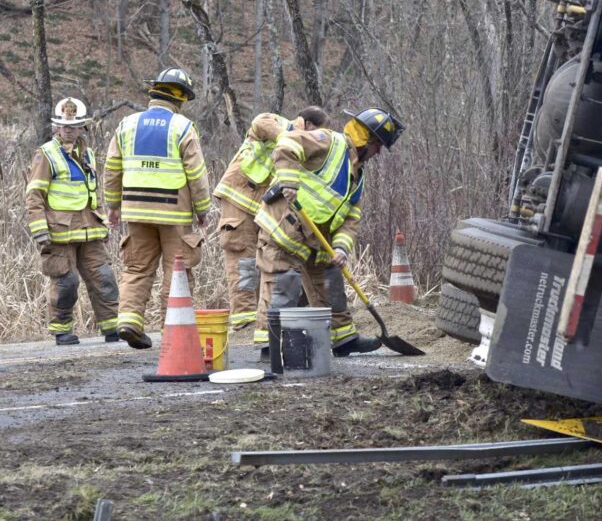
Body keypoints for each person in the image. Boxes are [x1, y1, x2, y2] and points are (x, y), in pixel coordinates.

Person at [252, 107, 404, 358]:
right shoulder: (327, 141)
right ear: (364, 137)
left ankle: (343, 339)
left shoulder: (358, 176)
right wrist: (289, 181)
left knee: (331, 283)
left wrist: (342, 248)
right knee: (283, 284)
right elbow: (287, 142)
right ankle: (271, 346)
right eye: (377, 145)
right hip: (283, 231)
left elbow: (351, 218)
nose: (378, 152)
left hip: (317, 241)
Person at [103, 68, 211, 349]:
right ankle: (173, 332)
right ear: (180, 99)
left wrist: (113, 205)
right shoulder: (183, 127)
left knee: (136, 267)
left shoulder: (126, 124)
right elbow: (196, 173)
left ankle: (128, 321)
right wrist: (203, 210)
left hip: (136, 211)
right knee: (177, 271)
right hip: (174, 213)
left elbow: (112, 168)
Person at [213, 107, 328, 330]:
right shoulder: (277, 122)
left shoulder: (304, 149)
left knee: (265, 261)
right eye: (313, 132)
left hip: (264, 210)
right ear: (306, 124)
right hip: (239, 199)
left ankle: (262, 318)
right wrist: (289, 138)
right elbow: (260, 120)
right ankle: (244, 319)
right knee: (243, 260)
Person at [25, 98, 119, 345]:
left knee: (104, 278)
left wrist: (102, 224)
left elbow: (92, 193)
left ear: (82, 127)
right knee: (66, 282)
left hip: (89, 230)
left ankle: (111, 328)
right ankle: (61, 330)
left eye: (74, 125)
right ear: (56, 127)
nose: (68, 129)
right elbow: (34, 196)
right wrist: (40, 231)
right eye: (64, 125)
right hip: (59, 233)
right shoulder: (45, 154)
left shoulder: (87, 154)